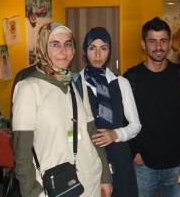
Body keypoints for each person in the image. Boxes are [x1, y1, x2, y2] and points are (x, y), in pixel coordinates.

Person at [12, 22, 112, 197]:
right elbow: (21, 149)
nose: (63, 51)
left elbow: (91, 131)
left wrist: (105, 175)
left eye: (68, 44)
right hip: (55, 185)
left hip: (90, 179)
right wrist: (32, 193)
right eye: (55, 44)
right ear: (42, 47)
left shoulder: (77, 82)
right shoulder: (28, 88)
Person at [124, 17, 180, 197]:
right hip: (143, 164)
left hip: (176, 164)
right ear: (143, 44)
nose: (158, 46)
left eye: (163, 41)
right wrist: (135, 153)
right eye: (152, 41)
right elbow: (123, 119)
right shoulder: (131, 78)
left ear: (170, 43)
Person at [80, 27, 141, 196]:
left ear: (110, 51)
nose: (98, 55)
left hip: (119, 156)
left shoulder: (121, 83)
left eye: (104, 48)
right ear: (85, 51)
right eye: (92, 48)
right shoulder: (76, 84)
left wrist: (115, 134)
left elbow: (136, 125)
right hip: (88, 158)